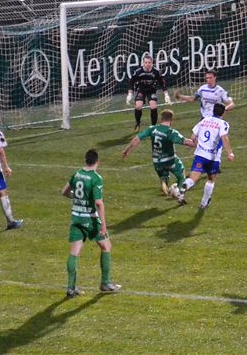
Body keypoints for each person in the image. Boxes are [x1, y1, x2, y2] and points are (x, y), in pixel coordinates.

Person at [61, 149, 121, 298]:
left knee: (74, 252)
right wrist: (104, 225)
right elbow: (99, 203)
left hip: (76, 217)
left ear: (85, 160)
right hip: (90, 219)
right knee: (106, 247)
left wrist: (77, 199)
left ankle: (70, 288)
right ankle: (105, 283)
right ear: (97, 161)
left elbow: (64, 192)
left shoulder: (77, 174)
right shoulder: (96, 178)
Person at [122, 109, 195, 196]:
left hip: (157, 162)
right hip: (170, 160)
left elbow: (136, 139)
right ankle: (179, 193)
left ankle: (164, 181)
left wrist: (126, 150)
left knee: (163, 175)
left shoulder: (152, 129)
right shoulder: (171, 132)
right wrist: (199, 143)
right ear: (172, 120)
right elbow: (186, 142)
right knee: (181, 175)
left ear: (161, 119)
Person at [177, 103, 235, 208]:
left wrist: (196, 145)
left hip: (200, 155)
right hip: (213, 158)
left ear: (213, 111)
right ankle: (203, 203)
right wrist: (230, 153)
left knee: (193, 178)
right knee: (211, 180)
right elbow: (224, 138)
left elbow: (193, 136)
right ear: (223, 113)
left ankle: (184, 187)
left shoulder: (204, 120)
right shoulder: (223, 124)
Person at [127, 54, 171, 131]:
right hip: (141, 90)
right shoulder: (138, 72)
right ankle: (138, 123)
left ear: (152, 63)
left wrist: (166, 95)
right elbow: (131, 82)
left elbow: (162, 83)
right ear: (143, 63)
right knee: (138, 106)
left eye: (149, 62)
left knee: (153, 106)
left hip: (151, 90)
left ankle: (153, 127)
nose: (147, 64)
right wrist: (130, 94)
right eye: (146, 62)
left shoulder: (156, 72)